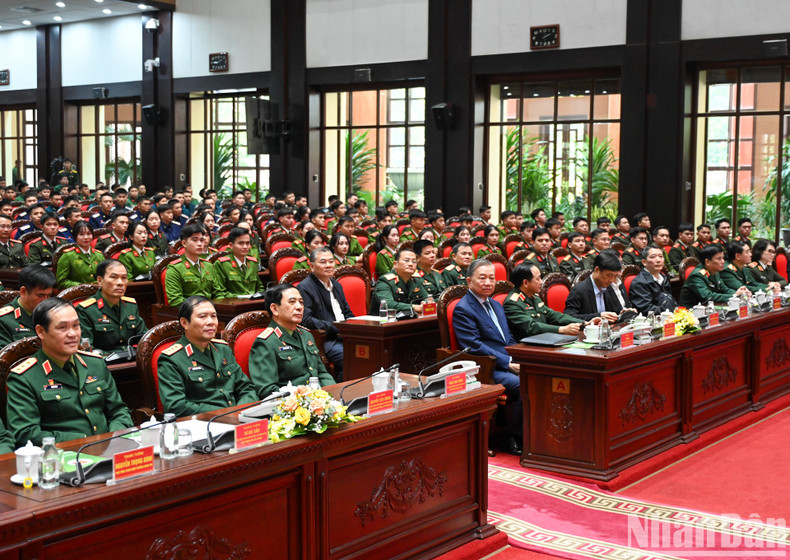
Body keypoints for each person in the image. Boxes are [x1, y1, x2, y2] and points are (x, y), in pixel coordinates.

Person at [6, 297, 133, 445]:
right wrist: (85, 441)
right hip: (64, 456)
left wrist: (114, 436)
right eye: (63, 328)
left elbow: (119, 411)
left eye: (76, 326)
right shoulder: (24, 377)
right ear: (41, 332)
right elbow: (25, 433)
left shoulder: (95, 364)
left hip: (110, 446)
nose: (73, 334)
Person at [453, 259, 521, 455]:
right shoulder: (463, 308)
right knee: (520, 383)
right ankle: (512, 436)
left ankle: (533, 433)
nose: (488, 282)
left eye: (492, 278)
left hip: (505, 360)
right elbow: (474, 346)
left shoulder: (495, 305)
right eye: (482, 278)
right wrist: (509, 363)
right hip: (485, 367)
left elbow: (507, 337)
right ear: (469, 281)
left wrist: (521, 356)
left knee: (539, 373)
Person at [156, 296, 258, 416]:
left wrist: (241, 411)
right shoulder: (172, 358)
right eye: (202, 316)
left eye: (213, 316)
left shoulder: (223, 349)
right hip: (203, 424)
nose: (210, 322)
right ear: (184, 323)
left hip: (238, 417)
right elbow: (176, 406)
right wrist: (225, 414)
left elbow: (246, 388)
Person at [248, 284, 335, 398]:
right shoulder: (267, 342)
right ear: (274, 309)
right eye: (292, 302)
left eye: (301, 302)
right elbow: (266, 389)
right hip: (290, 406)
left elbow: (322, 374)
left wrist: (332, 394)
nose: (299, 307)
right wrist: (302, 398)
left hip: (318, 401)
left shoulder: (306, 335)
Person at [296, 247, 355, 377]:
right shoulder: (305, 287)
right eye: (323, 262)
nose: (328, 265)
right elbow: (306, 320)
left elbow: (347, 312)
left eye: (331, 261)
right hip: (326, 339)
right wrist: (336, 328)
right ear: (312, 266)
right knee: (351, 358)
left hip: (345, 335)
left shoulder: (337, 285)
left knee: (371, 352)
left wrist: (354, 326)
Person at [76, 260, 147, 354]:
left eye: (124, 278)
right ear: (100, 281)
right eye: (114, 277)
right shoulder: (86, 310)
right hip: (105, 362)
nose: (120, 283)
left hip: (131, 358)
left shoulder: (131, 305)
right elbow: (86, 349)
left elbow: (144, 337)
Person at [504, 263, 587, 339]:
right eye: (538, 279)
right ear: (525, 283)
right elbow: (531, 327)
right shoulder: (512, 303)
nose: (541, 282)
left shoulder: (534, 298)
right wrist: (562, 329)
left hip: (542, 340)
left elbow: (554, 316)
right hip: (526, 347)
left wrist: (584, 323)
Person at [565, 250, 632, 322]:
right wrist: (598, 316)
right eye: (609, 275)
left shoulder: (608, 287)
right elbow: (569, 317)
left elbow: (613, 311)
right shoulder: (579, 290)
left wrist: (621, 314)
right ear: (597, 270)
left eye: (614, 276)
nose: (611, 280)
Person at [0, 265, 55, 347]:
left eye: (48, 296)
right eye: (40, 295)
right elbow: (5, 357)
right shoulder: (3, 320)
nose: (45, 301)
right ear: (23, 291)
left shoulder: (53, 314)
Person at [679, 244, 751, 307]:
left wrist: (740, 293)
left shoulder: (715, 271)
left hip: (709, 307)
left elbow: (724, 289)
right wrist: (734, 295)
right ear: (707, 262)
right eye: (719, 259)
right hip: (691, 312)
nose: (723, 262)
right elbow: (708, 296)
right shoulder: (697, 275)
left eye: (723, 258)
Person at [164, 224, 217, 307]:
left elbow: (218, 293)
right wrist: (201, 307)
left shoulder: (208, 265)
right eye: (195, 240)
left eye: (202, 240)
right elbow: (175, 300)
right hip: (190, 313)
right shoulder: (175, 268)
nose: (200, 244)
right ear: (184, 243)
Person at [370, 248, 429, 315]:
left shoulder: (415, 280)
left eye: (414, 261)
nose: (410, 264)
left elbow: (426, 297)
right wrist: (414, 307)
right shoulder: (385, 281)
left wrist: (425, 303)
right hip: (383, 321)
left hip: (409, 319)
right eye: (406, 260)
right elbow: (388, 304)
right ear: (395, 264)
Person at [212, 227, 264, 298]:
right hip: (234, 304)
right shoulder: (222, 264)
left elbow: (260, 287)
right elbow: (220, 293)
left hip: (253, 303)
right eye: (241, 243)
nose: (245, 247)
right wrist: (241, 297)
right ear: (231, 245)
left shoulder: (253, 262)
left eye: (247, 243)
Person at [628, 245, 678, 315]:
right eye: (653, 257)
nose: (658, 260)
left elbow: (670, 300)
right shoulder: (639, 282)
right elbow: (646, 309)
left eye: (660, 256)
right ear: (644, 262)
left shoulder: (664, 277)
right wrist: (670, 313)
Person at [55, 221, 104, 288]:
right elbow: (61, 282)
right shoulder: (68, 255)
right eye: (81, 234)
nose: (86, 237)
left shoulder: (99, 255)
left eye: (89, 234)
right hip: (77, 295)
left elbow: (104, 277)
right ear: (75, 237)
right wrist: (83, 286)